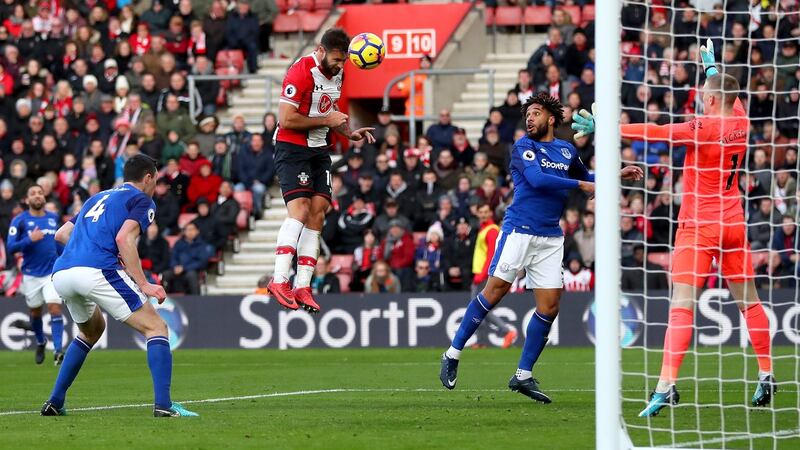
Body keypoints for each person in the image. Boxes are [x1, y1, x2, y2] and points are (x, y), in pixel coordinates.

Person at [572, 40, 776, 415]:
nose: (702, 98)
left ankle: (666, 385)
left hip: (699, 226)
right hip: (733, 222)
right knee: (750, 303)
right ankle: (766, 374)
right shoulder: (741, 117)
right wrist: (711, 66)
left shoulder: (703, 126)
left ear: (710, 100)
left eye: (704, 95)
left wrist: (608, 127)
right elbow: (723, 89)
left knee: (681, 308)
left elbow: (657, 131)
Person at [440, 93, 642, 402]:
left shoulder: (567, 149)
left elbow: (586, 178)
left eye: (535, 113)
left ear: (551, 117)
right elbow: (538, 180)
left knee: (549, 306)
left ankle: (523, 375)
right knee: (494, 292)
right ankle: (452, 353)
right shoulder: (524, 146)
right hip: (519, 230)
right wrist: (582, 185)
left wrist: (615, 174)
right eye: (527, 115)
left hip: (550, 237)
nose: (529, 118)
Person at [41, 155, 198, 417]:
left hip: (63, 273)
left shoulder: (97, 197)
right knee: (156, 327)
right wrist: (144, 284)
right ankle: (164, 405)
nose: (154, 185)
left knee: (91, 331)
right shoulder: (141, 200)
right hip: (97, 269)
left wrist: (85, 253)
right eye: (155, 180)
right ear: (147, 178)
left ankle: (55, 402)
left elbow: (61, 234)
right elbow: (124, 238)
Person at [259, 28, 373, 313]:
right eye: (336, 59)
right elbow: (287, 119)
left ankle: (303, 285)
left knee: (319, 212)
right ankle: (279, 279)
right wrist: (327, 120)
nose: (340, 65)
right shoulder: (300, 71)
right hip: (292, 148)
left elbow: (329, 111)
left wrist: (348, 132)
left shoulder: (338, 73)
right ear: (320, 51)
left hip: (320, 148)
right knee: (299, 210)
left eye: (343, 60)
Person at [7, 185, 65, 365]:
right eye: (33, 193)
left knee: (55, 308)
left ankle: (58, 351)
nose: (37, 196)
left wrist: (66, 258)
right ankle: (40, 342)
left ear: (44, 197)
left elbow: (59, 243)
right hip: (31, 274)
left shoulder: (53, 218)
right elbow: (11, 247)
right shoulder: (19, 220)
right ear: (27, 199)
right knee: (35, 312)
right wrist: (29, 240)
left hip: (52, 272)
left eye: (40, 193)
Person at [161, 221, 209, 295]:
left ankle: (196, 299)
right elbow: (173, 257)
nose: (190, 232)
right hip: (177, 270)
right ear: (184, 231)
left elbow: (202, 262)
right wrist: (175, 266)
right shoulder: (179, 243)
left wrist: (184, 268)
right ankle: (163, 298)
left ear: (197, 231)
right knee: (166, 274)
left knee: (191, 275)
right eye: (187, 230)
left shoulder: (201, 245)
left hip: (191, 270)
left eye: (192, 229)